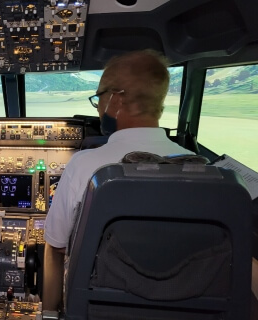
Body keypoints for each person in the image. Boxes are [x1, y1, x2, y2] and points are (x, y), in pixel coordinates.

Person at [42, 49, 195, 311]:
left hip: (97, 310)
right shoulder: (205, 170)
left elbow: (56, 249)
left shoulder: (84, 165)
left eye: (99, 98)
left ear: (114, 100)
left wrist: (50, 313)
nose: (99, 107)